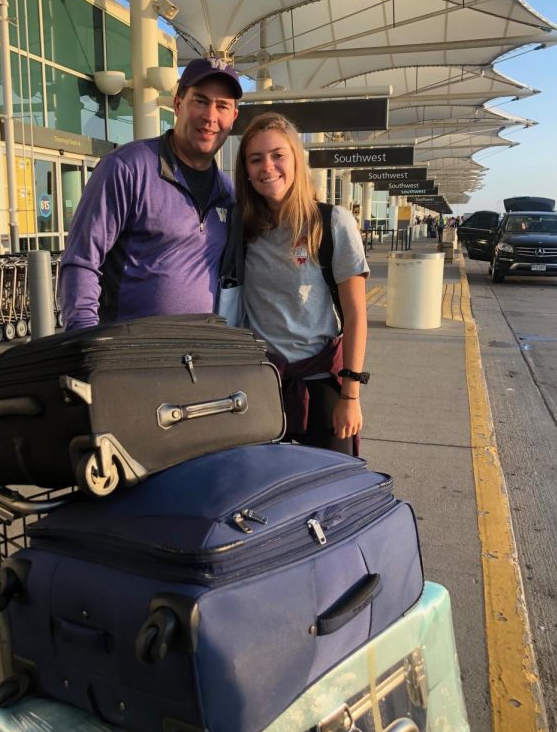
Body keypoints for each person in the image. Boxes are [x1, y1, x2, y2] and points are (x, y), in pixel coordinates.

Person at [58, 58, 242, 330]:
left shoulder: (227, 192)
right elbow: (81, 261)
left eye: (222, 106)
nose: (210, 117)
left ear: (233, 118)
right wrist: (84, 343)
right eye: (200, 101)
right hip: (133, 357)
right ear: (178, 104)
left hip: (201, 358)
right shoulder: (126, 168)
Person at [235, 112, 369, 452]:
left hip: (320, 384)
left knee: (331, 494)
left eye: (278, 155)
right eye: (256, 159)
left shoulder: (331, 223)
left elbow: (355, 316)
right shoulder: (242, 230)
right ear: (246, 172)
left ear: (296, 160)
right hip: (261, 387)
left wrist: (351, 395)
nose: (268, 167)